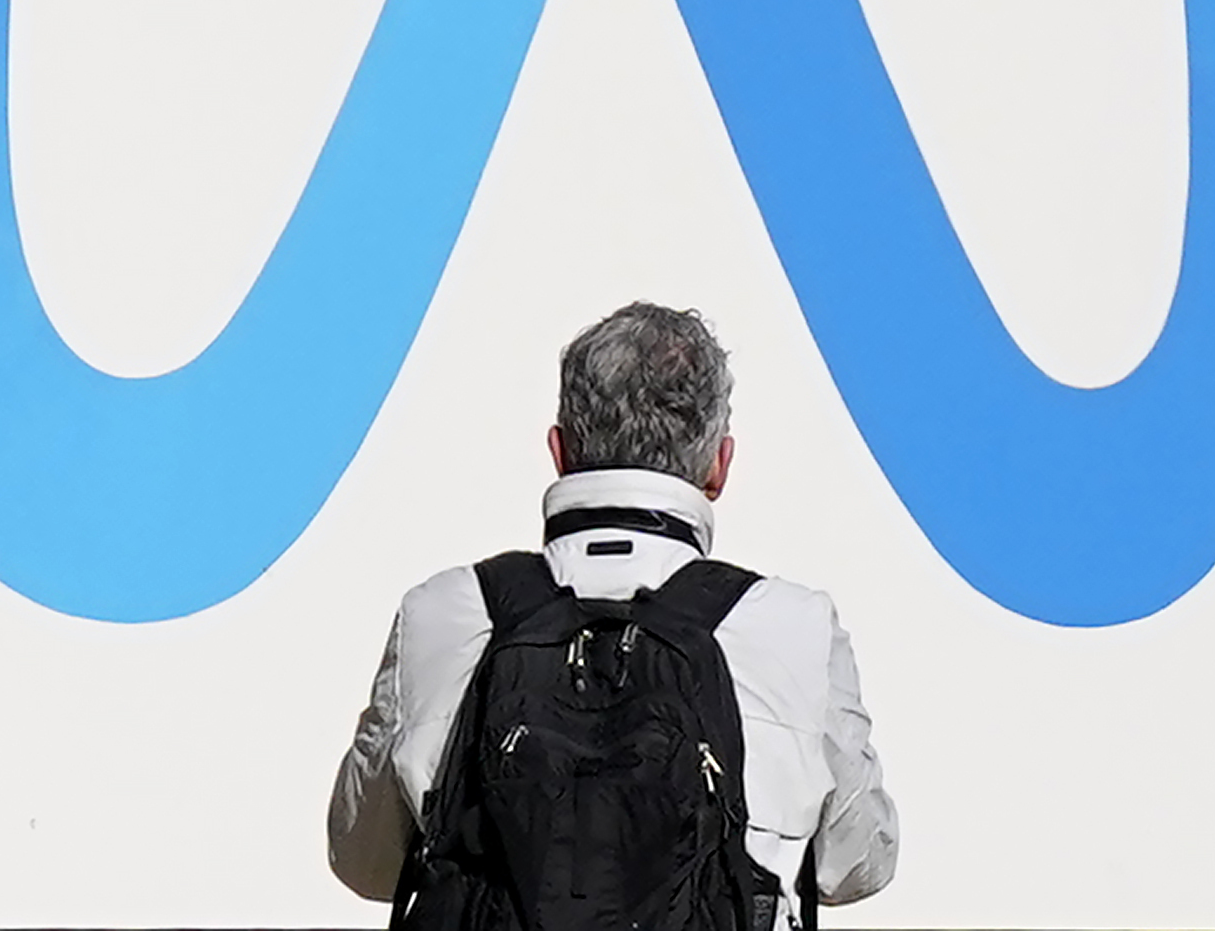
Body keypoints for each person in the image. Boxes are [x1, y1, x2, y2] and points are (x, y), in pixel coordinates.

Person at [328, 301, 897, 929]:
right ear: (719, 466)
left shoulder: (444, 611)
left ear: (561, 450)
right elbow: (856, 864)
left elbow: (365, 861)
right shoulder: (794, 625)